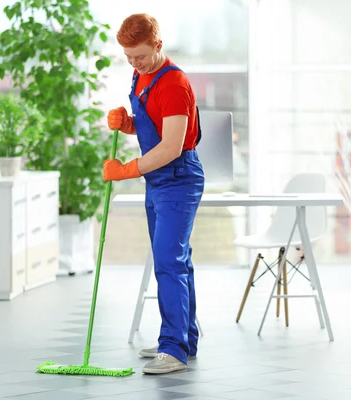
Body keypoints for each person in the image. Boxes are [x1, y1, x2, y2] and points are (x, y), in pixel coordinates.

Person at [102, 13, 204, 375]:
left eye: (141, 56)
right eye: (128, 57)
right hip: (157, 181)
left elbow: (172, 146)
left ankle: (173, 349)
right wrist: (127, 123)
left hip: (178, 178)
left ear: (159, 45)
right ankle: (184, 339)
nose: (135, 63)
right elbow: (154, 127)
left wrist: (127, 169)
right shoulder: (140, 73)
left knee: (168, 262)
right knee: (177, 261)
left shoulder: (174, 84)